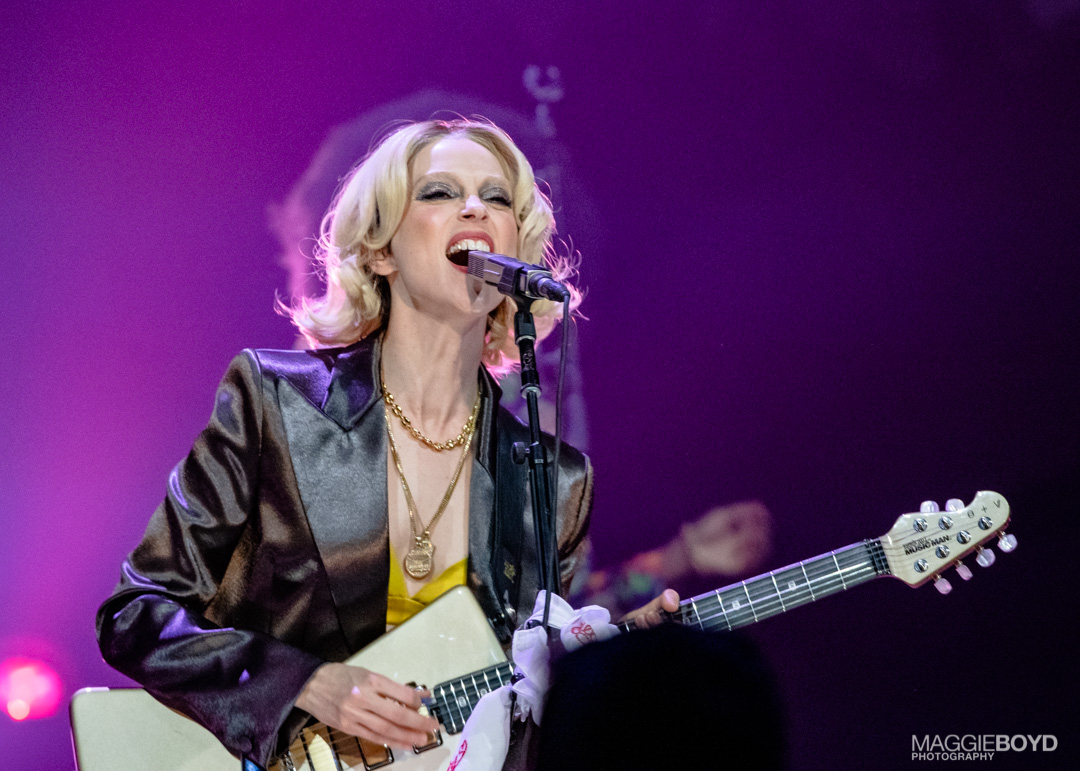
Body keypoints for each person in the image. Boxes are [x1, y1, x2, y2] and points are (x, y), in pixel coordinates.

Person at [95, 118, 677, 769]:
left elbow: (516, 703)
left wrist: (612, 664)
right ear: (381, 251)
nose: (475, 207)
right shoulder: (278, 402)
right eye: (438, 192)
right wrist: (302, 682)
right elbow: (136, 613)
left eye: (498, 197)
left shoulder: (555, 481)